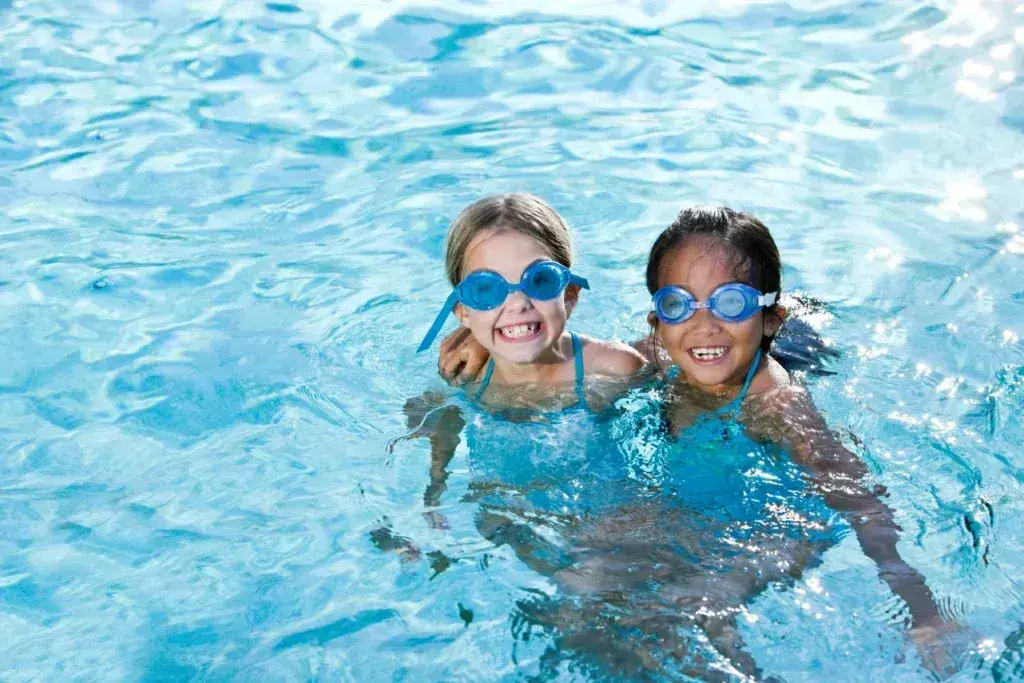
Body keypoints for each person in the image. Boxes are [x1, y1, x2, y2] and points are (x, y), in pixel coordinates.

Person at [432, 205, 960, 678]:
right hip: (687, 504)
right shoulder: (661, 357)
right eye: (678, 306)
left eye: (730, 303)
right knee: (585, 595)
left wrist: (923, 610)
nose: (703, 326)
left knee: (698, 612)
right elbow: (573, 355)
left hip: (777, 525)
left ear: (767, 319)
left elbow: (858, 499)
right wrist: (487, 345)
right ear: (658, 324)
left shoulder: (777, 406)